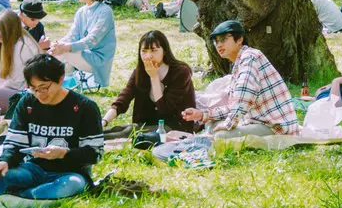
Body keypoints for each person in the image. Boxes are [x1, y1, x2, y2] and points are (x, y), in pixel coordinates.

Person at [0, 54, 103, 208]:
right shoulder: (27, 103)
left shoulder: (84, 107)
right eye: (33, 89)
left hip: (69, 172)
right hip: (32, 169)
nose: (39, 94)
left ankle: (16, 199)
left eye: (44, 87)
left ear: (61, 79)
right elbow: (14, 143)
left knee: (71, 185)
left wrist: (64, 153)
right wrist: (4, 161)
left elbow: (95, 153)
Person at [184, 19, 303, 147]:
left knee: (221, 135)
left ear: (239, 39)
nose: (219, 45)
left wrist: (228, 123)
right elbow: (233, 105)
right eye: (216, 41)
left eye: (223, 39)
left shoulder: (250, 57)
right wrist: (203, 114)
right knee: (212, 123)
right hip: (257, 121)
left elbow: (245, 97)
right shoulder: (239, 63)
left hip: (275, 127)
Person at [109, 30, 199, 134]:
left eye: (154, 50)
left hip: (174, 127)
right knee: (119, 129)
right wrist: (104, 121)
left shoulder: (181, 72)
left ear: (164, 51)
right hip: (146, 125)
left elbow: (165, 109)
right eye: (144, 51)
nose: (148, 56)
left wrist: (154, 77)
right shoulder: (140, 71)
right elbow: (124, 98)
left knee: (126, 133)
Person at [50, 0, 117, 88]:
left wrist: (65, 47)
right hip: (83, 53)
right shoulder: (81, 11)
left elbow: (92, 40)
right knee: (53, 53)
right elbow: (72, 35)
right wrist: (58, 44)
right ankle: (54, 85)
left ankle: (55, 86)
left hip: (98, 59)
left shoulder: (105, 11)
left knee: (63, 52)